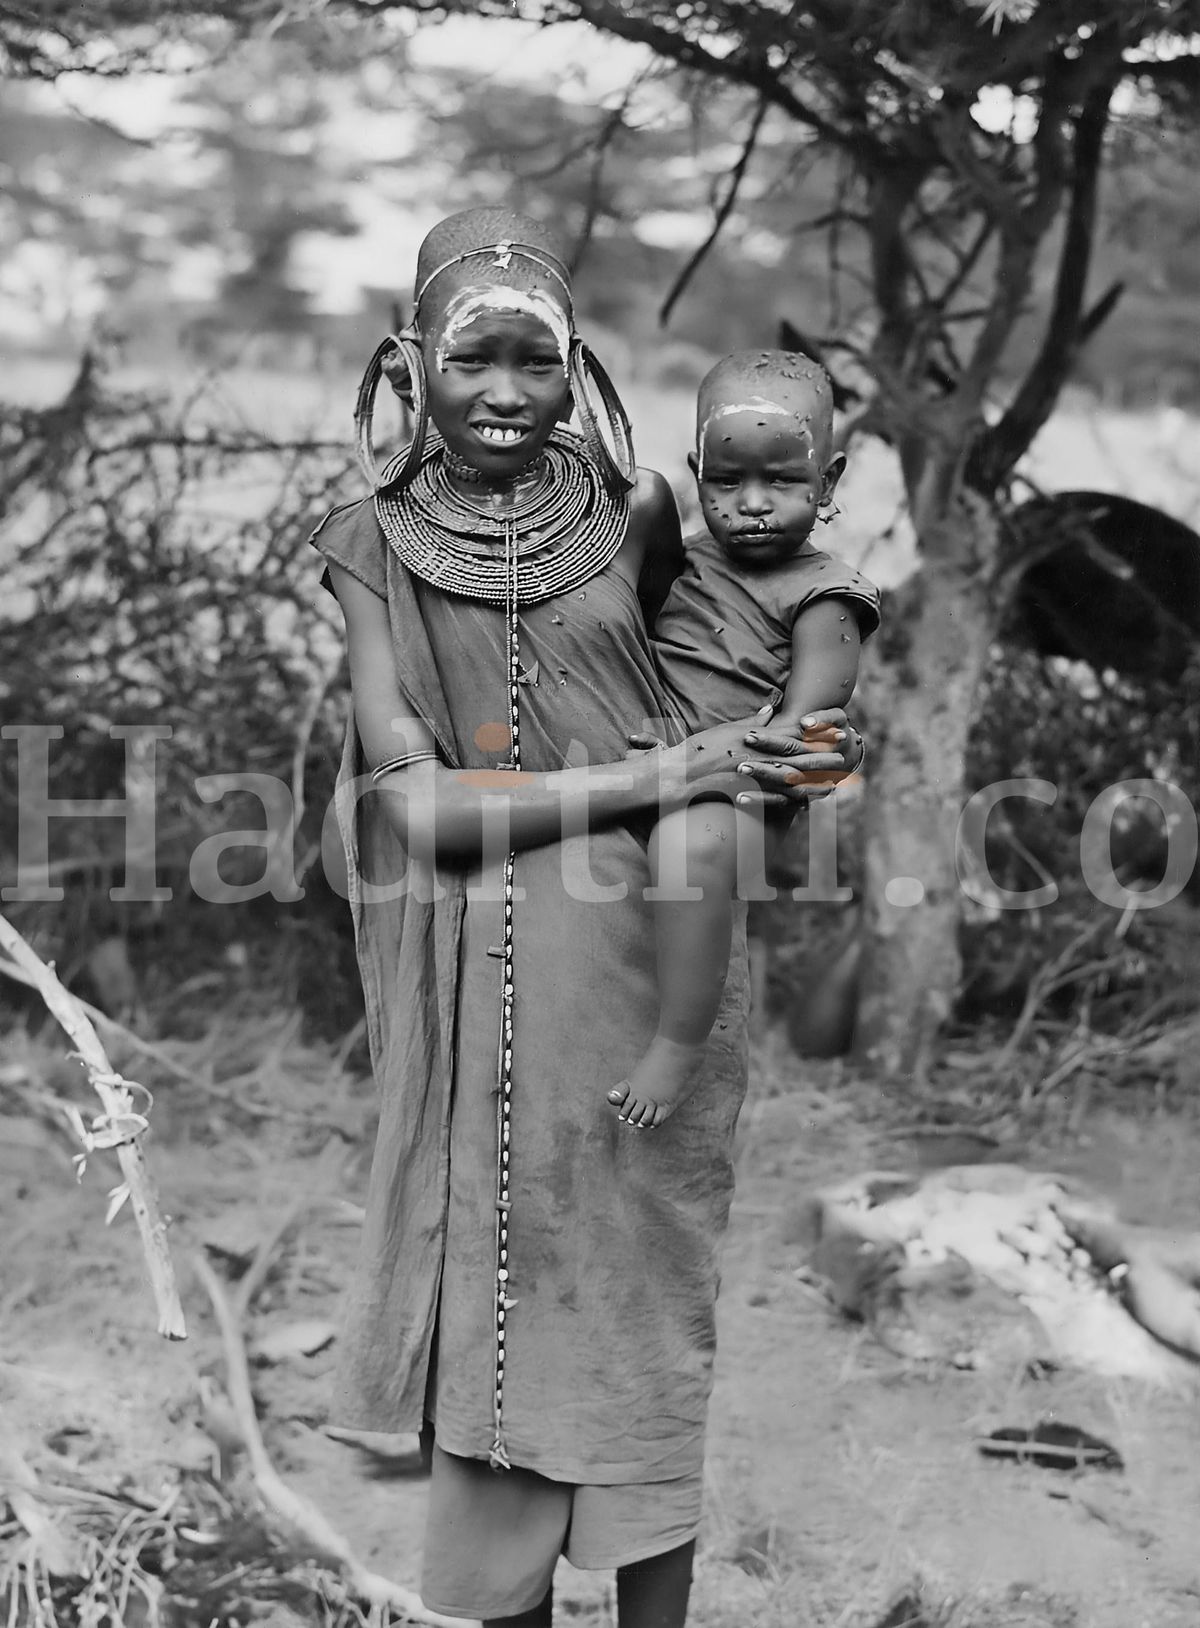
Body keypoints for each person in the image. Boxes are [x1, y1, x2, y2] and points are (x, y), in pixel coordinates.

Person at [312, 206, 864, 1628]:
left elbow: (731, 683)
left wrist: (808, 741)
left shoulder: (641, 511)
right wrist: (660, 773)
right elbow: (414, 807)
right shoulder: (367, 545)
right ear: (413, 361)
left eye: (537, 365)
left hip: (647, 976)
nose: (507, 394)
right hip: (468, 980)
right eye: (473, 361)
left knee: (642, 1309)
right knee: (494, 1315)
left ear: (580, 373)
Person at [607, 351, 880, 1130]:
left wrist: (689, 767)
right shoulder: (680, 565)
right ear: (698, 474)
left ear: (827, 482)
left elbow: (805, 730)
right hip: (658, 762)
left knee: (687, 853)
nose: (752, 505)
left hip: (741, 790)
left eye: (784, 483)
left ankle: (678, 1042)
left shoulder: (825, 597)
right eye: (726, 484)